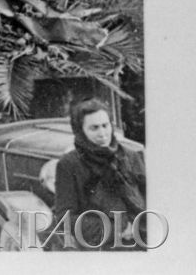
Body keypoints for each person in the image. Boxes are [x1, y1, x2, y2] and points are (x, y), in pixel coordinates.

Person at [52, 98, 146, 250]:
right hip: (101, 247)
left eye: (105, 125)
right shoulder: (69, 164)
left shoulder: (131, 156)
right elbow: (65, 219)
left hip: (142, 241)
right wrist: (116, 230)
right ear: (81, 131)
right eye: (94, 128)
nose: (102, 133)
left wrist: (138, 226)